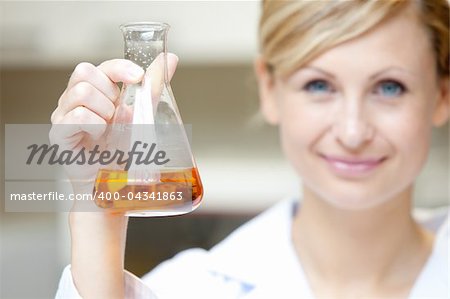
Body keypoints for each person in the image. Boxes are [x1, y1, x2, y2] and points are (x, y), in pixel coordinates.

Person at [55, 0, 449, 298]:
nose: (352, 131)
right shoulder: (192, 289)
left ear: (442, 95)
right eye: (319, 85)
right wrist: (97, 213)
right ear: (269, 89)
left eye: (389, 87)